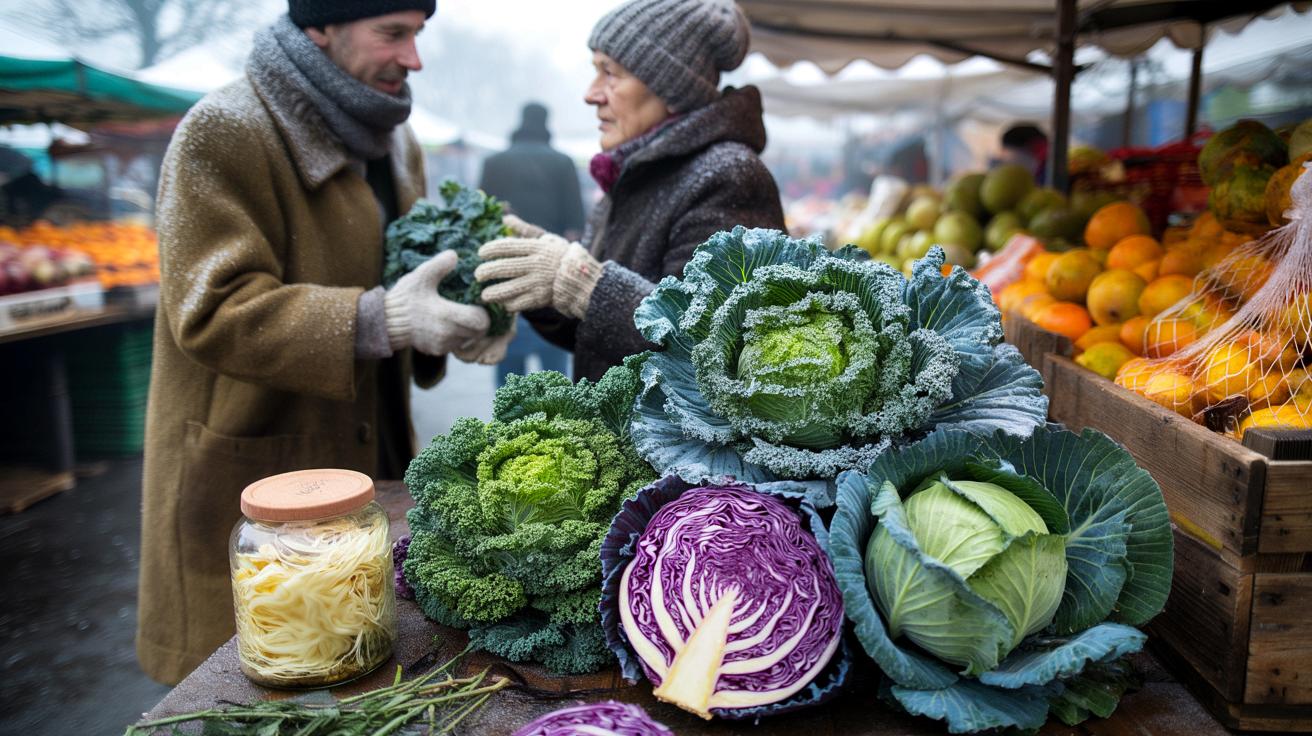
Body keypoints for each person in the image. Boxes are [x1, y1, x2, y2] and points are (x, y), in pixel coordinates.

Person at [136, 0, 496, 685]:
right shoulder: (223, 131)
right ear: (320, 28)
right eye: (392, 34)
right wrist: (384, 320)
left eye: (418, 35)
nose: (413, 58)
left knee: (356, 668)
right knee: (247, 686)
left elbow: (401, 278)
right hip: (254, 467)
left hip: (370, 452)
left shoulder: (396, 139)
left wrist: (451, 322)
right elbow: (211, 309)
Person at [469, 0, 785, 383]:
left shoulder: (728, 176)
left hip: (669, 444)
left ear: (670, 88)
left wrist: (583, 282)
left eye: (610, 73)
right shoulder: (634, 172)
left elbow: (713, 350)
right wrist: (546, 284)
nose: (591, 94)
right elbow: (593, 335)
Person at [478, 103, 582, 384]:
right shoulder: (562, 163)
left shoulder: (494, 163)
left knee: (509, 388)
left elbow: (479, 222)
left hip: (506, 282)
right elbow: (576, 227)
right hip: (551, 287)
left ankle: (509, 426)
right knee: (556, 384)